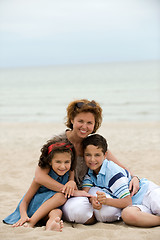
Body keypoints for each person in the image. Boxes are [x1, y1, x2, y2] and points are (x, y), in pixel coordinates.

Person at [34, 99, 140, 224]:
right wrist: (71, 191)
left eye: (89, 122)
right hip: (59, 195)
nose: (84, 127)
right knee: (80, 214)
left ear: (95, 125)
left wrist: (134, 177)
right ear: (72, 120)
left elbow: (118, 165)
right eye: (80, 121)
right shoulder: (59, 143)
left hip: (83, 193)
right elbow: (39, 177)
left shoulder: (91, 144)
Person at [3, 137, 91, 231]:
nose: (63, 166)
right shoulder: (41, 179)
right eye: (58, 162)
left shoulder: (70, 172)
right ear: (50, 161)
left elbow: (72, 187)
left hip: (48, 211)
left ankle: (51, 225)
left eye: (67, 162)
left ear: (71, 161)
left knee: (57, 212)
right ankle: (31, 222)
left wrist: (72, 182)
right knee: (61, 196)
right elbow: (25, 201)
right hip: (35, 209)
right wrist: (24, 215)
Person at [82, 133, 160, 227]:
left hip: (146, 193)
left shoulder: (112, 171)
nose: (92, 159)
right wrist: (92, 200)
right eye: (88, 155)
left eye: (97, 155)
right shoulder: (90, 173)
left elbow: (126, 201)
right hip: (136, 203)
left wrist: (105, 201)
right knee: (127, 215)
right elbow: (85, 193)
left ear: (105, 155)